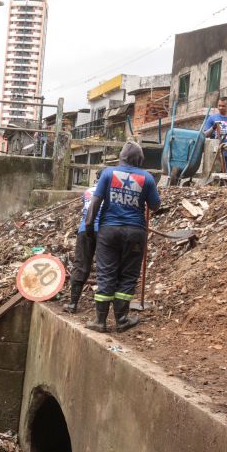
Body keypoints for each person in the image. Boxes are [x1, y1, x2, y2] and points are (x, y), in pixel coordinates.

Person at [85, 142, 160, 332]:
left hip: (108, 231)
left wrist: (88, 226)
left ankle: (100, 321)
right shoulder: (147, 178)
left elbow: (95, 201)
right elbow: (155, 206)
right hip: (135, 232)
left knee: (106, 272)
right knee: (128, 275)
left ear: (122, 157)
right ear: (140, 159)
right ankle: (122, 320)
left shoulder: (108, 173)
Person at [64, 170, 102, 314]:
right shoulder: (111, 192)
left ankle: (73, 304)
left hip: (84, 229)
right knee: (103, 267)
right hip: (103, 231)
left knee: (80, 265)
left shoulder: (87, 191)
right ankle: (101, 310)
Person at [203, 96, 227, 173]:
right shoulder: (212, 118)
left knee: (225, 173)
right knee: (213, 173)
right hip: (213, 151)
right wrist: (213, 128)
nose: (220, 108)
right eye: (219, 105)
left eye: (223, 106)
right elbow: (205, 135)